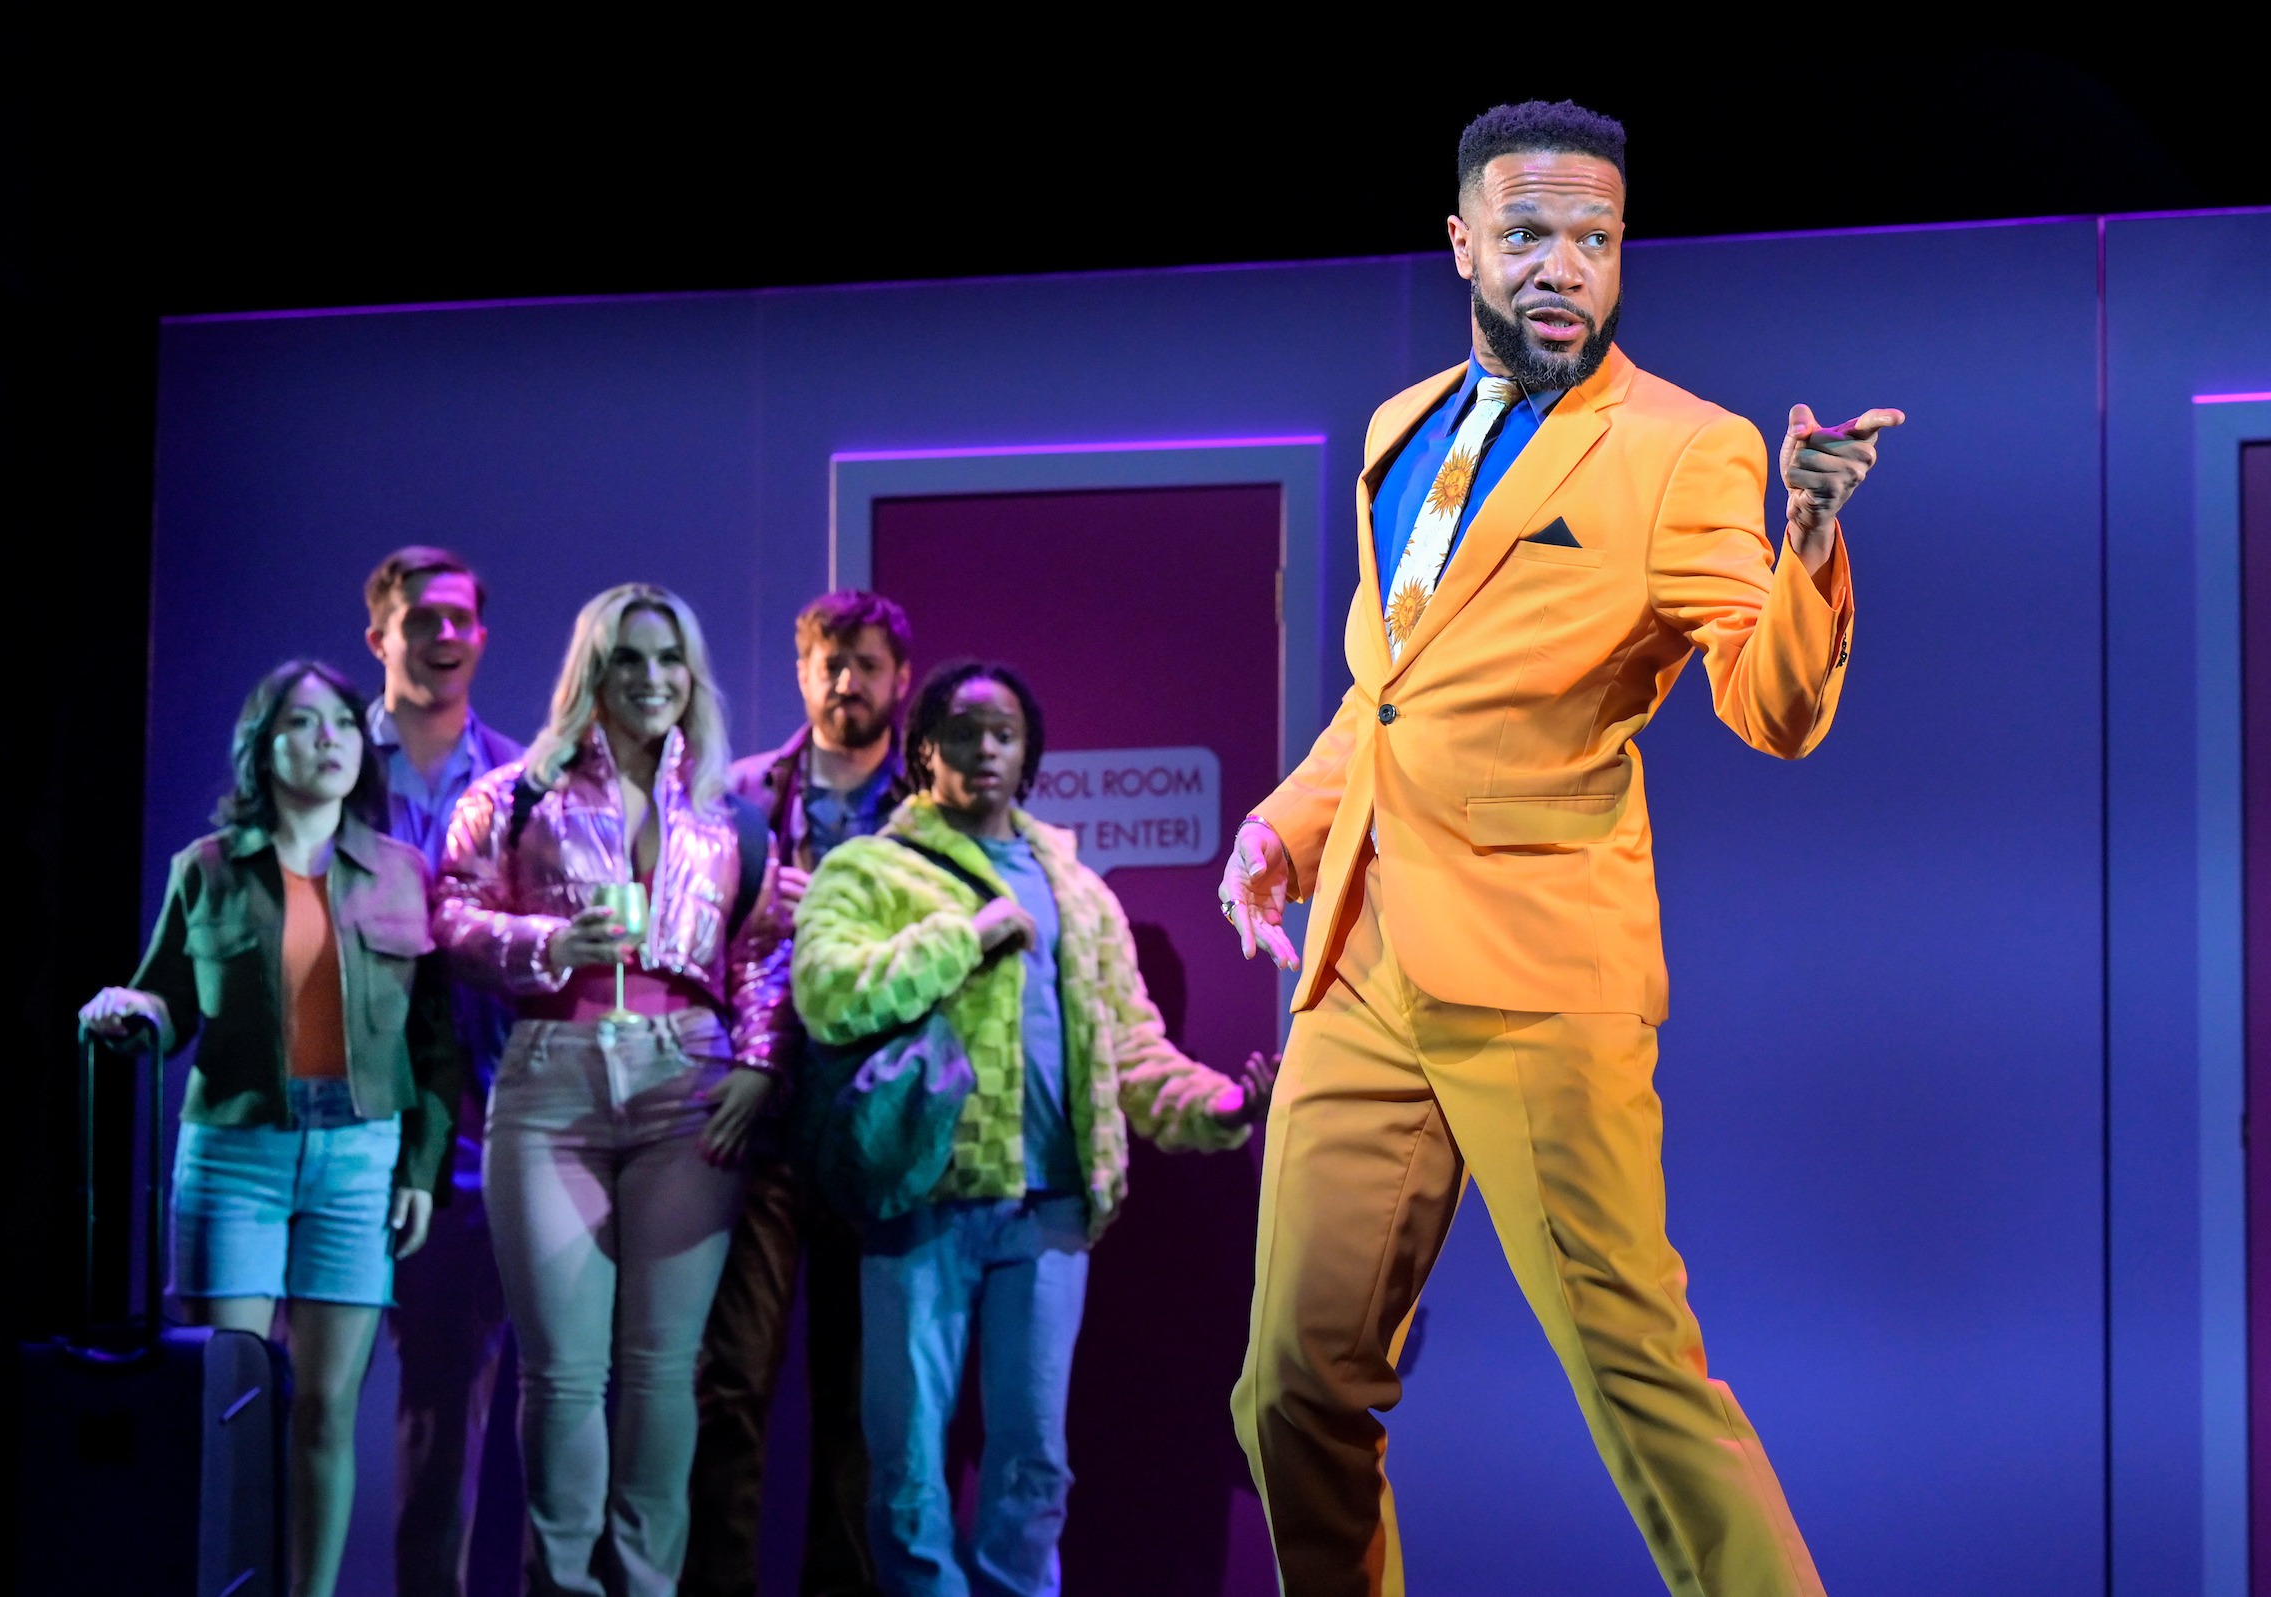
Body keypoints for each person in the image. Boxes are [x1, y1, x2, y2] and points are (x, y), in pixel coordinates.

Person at [1216, 100, 1904, 1597]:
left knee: (1640, 1387)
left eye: (1595, 240)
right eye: (1529, 234)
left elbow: (1771, 707)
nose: (1564, 270)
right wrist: (1284, 824)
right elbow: (1390, 691)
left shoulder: (1685, 452)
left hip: (1542, 976)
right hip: (1363, 956)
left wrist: (1804, 544)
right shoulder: (1400, 424)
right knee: (1290, 1394)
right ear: (1462, 240)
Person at [792, 660, 1276, 1597]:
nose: (985, 748)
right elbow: (827, 991)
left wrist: (1223, 1106)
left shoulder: (1079, 892)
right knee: (908, 1467)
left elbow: (1131, 1047)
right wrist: (960, 938)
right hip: (921, 1194)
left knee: (1033, 1464)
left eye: (1004, 733)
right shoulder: (868, 869)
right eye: (964, 730)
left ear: (1029, 755)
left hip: (1051, 1205)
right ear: (925, 747)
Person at [80, 659, 460, 1597]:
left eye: (339, 720)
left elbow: (434, 1043)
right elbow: (167, 1001)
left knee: (328, 1409)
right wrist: (132, 1012)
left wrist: (418, 1165)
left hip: (360, 1155)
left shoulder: (402, 873)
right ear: (264, 745)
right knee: (226, 1404)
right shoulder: (206, 868)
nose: (327, 737)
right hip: (236, 1152)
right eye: (301, 722)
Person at [436, 582, 782, 1597]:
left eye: (670, 659)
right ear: (592, 671)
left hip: (690, 1081)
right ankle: (566, 1586)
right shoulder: (515, 792)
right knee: (563, 1373)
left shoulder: (728, 814)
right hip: (552, 1083)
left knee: (666, 1371)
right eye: (628, 658)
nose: (652, 679)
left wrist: (759, 1062)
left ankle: (647, 1584)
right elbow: (447, 916)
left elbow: (764, 949)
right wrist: (545, 940)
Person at [689, 590, 915, 1597]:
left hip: (876, 1124)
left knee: (862, 1398)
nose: (845, 682)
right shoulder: (740, 794)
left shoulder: (932, 796)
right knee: (729, 1380)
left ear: (899, 676)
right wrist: (755, 920)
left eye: (865, 663)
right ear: (801, 670)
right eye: (828, 661)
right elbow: (688, 945)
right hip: (764, 1119)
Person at [359, 545, 526, 1597]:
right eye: (424, 618)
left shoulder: (520, 778)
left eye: (464, 618)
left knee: (445, 1404)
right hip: (336, 1113)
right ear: (379, 634)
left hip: (469, 1119)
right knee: (294, 1395)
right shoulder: (320, 758)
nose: (447, 636)